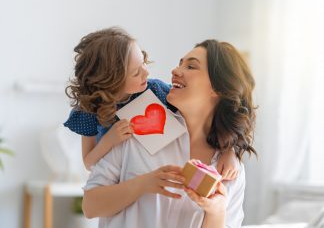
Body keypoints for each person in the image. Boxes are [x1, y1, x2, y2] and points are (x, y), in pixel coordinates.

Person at [82, 39, 257, 228]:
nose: (175, 70)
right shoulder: (138, 127)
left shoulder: (229, 169)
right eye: (180, 63)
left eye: (191, 66)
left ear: (218, 89)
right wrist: (143, 184)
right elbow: (90, 206)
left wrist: (216, 211)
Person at [64, 27, 239, 180]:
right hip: (115, 183)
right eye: (136, 72)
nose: (146, 73)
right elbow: (88, 163)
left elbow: (214, 117)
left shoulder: (156, 91)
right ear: (112, 81)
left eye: (144, 62)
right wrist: (109, 141)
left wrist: (230, 151)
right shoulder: (88, 110)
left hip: (155, 179)